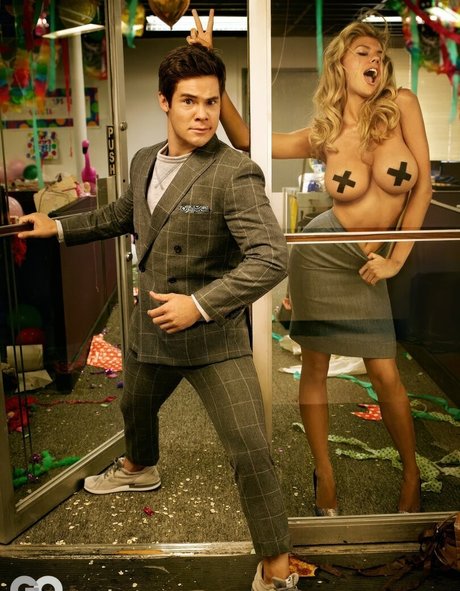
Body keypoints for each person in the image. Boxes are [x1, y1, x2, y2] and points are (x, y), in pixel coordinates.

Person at [18, 45, 299, 591]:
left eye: (212, 102)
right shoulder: (145, 159)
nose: (203, 114)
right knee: (134, 404)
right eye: (189, 101)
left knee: (250, 448)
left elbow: (271, 258)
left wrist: (199, 305)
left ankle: (277, 565)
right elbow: (124, 214)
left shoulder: (234, 172)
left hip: (214, 339)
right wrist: (58, 227)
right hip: (151, 327)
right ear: (164, 102)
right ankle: (139, 468)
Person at [188, 10, 432, 515]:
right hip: (321, 251)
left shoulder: (401, 106)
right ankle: (325, 474)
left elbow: (422, 185)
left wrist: (396, 259)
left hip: (370, 260)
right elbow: (248, 139)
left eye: (379, 55)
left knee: (385, 371)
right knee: (315, 366)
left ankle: (412, 475)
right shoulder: (325, 133)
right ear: (340, 64)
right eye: (362, 53)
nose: (374, 61)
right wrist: (212, 64)